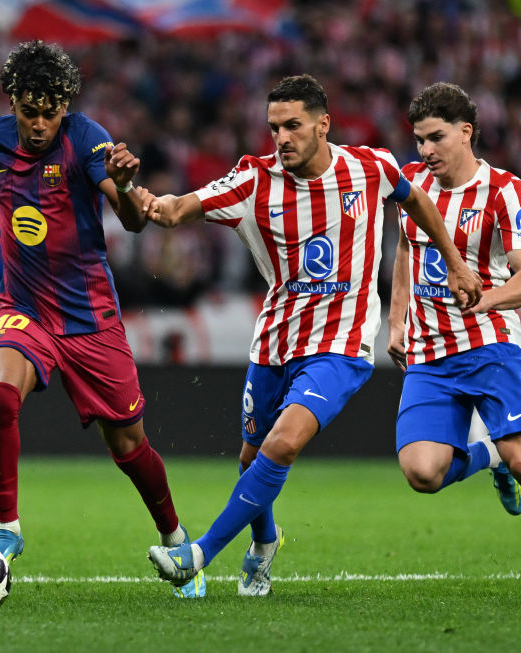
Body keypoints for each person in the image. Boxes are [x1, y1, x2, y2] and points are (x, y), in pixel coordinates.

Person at [141, 74, 482, 595]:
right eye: (274, 127)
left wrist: (454, 262)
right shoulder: (253, 179)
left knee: (282, 443)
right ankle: (265, 543)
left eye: (293, 126)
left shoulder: (371, 167)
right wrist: (147, 200)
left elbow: (417, 202)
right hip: (276, 341)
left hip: (341, 345)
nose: (282, 138)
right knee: (251, 459)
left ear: (323, 125)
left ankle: (199, 552)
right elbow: (178, 208)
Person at [0, 40, 205, 598]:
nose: (40, 124)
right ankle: (8, 529)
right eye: (30, 111)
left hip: (90, 318)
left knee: (128, 447)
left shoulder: (87, 139)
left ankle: (175, 538)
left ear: (65, 107)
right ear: (12, 102)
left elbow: (132, 222)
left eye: (50, 113)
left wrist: (124, 185)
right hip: (24, 309)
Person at [387, 82, 521, 595]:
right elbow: (405, 249)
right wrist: (395, 322)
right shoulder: (411, 184)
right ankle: (488, 455)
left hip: (490, 344)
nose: (425, 150)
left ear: (466, 132)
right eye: (419, 140)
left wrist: (485, 300)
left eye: (436, 138)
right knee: (421, 472)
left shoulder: (504, 190)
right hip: (430, 352)